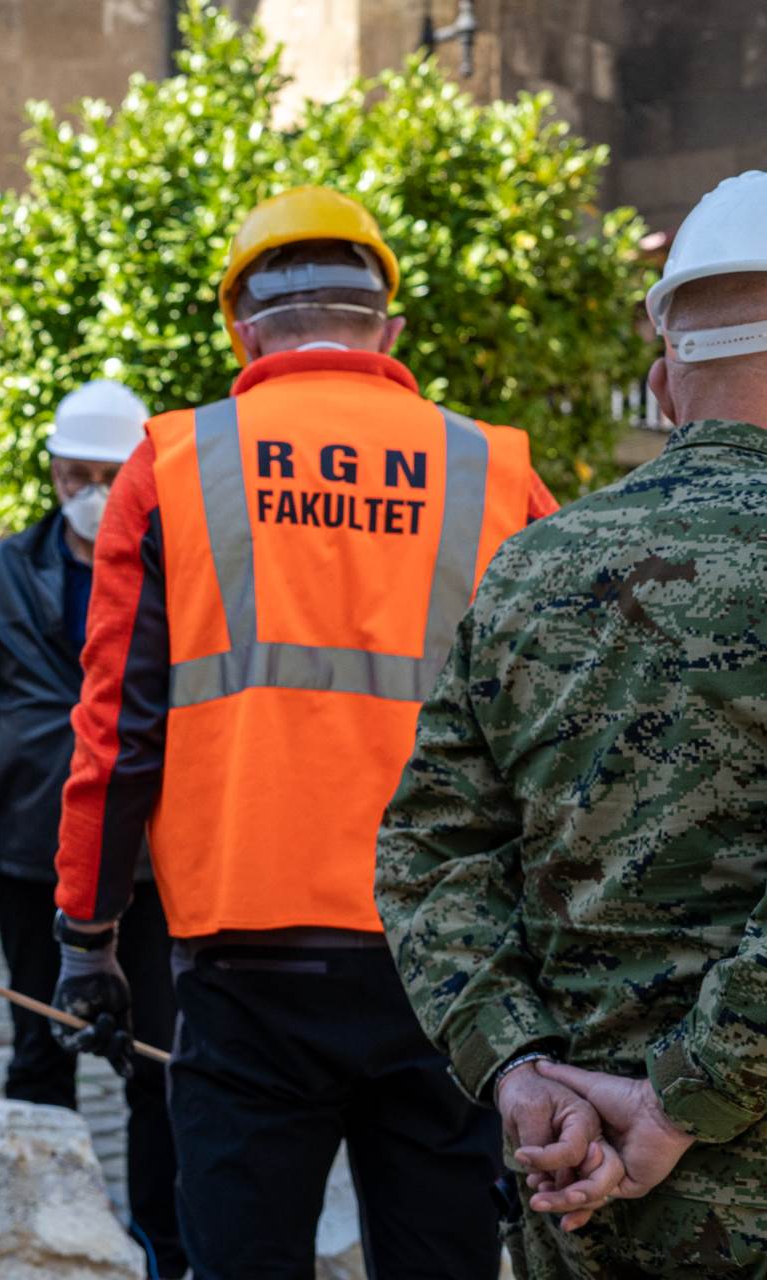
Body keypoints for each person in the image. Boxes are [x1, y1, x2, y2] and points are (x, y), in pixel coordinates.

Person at [51, 187, 561, 1279]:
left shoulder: (174, 464)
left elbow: (116, 733)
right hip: (447, 959)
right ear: (389, 328)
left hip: (248, 962)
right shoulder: (494, 471)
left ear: (241, 326)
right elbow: (573, 720)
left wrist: (86, 937)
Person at [377, 170, 767, 1279]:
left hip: (581, 1204)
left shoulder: (532, 567)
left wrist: (520, 1070)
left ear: (662, 384)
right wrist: (681, 1098)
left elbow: (428, 843)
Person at [0, 378, 187, 1277]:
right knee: (38, 1050)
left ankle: (161, 1246)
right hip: (35, 850)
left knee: (157, 1060)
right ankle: (44, 1233)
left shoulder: (179, 562)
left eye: (109, 472)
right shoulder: (9, 568)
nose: (91, 488)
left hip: (149, 861)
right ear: (51, 472)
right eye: (76, 472)